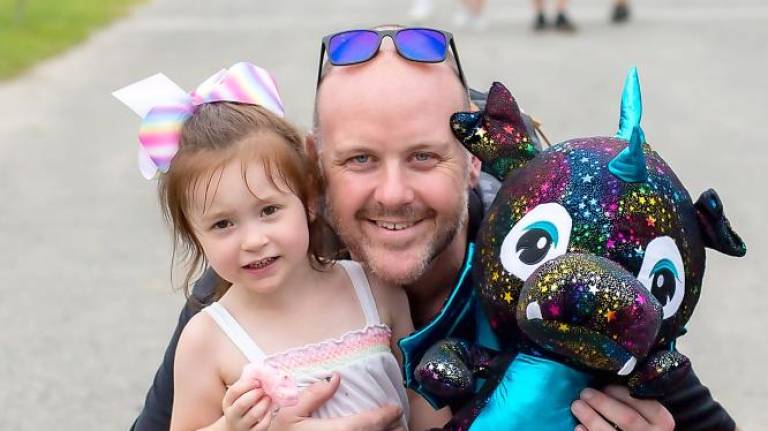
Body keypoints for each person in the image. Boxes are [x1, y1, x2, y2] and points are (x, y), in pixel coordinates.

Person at [132, 27, 737, 431]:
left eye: (424, 156)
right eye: (360, 159)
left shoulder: (559, 255)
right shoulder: (259, 281)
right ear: (316, 167)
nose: (393, 194)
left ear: (474, 157)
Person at [118, 62, 449, 431]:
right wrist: (230, 427)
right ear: (194, 234)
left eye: (269, 210)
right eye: (223, 224)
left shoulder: (374, 290)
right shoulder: (206, 340)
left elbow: (422, 396)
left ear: (308, 198)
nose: (254, 240)